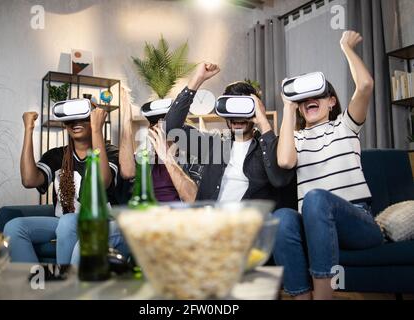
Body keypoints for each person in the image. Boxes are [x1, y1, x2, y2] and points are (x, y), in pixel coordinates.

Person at [274, 30, 384, 300]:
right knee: (281, 218)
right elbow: (285, 160)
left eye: (320, 94)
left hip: (356, 222)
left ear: (332, 101)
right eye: (303, 100)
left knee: (315, 198)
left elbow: (366, 85)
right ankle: (302, 297)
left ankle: (324, 296)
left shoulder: (345, 126)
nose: (310, 100)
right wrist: (288, 106)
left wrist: (346, 47)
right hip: (313, 225)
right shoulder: (296, 138)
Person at [4, 103, 130, 264]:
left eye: (83, 117)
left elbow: (101, 182)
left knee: (67, 221)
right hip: (63, 221)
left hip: (100, 221)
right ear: (64, 123)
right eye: (70, 119)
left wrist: (97, 129)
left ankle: (64, 283)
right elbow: (29, 180)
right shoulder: (57, 155)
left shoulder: (111, 152)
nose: (76, 122)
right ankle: (35, 282)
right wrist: (28, 129)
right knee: (14, 227)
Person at [162, 62, 295, 206]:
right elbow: (171, 128)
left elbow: (280, 179)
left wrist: (263, 123)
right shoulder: (213, 145)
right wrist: (197, 80)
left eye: (243, 108)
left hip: (247, 222)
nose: (237, 117)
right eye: (231, 108)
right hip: (211, 220)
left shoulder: (271, 149)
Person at [120, 90, 203, 203]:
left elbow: (193, 199)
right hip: (148, 215)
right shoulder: (145, 156)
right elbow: (127, 172)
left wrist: (167, 157)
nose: (157, 128)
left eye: (164, 123)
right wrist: (126, 122)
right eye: (153, 124)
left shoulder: (192, 157)